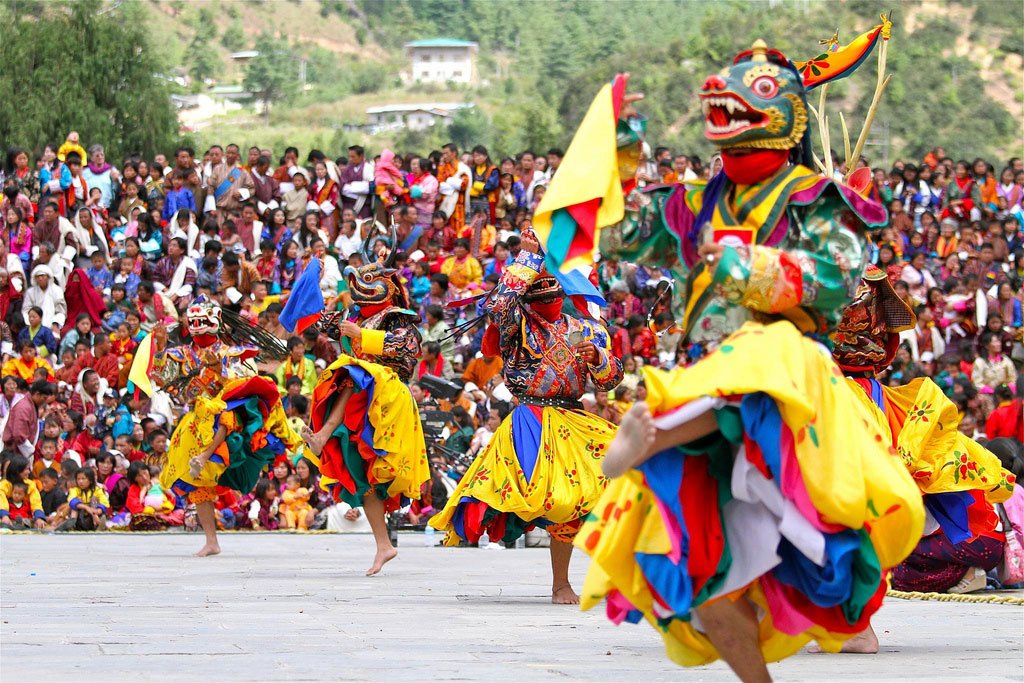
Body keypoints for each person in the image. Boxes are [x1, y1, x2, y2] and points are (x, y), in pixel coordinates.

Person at [555, 33, 927, 678]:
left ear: (787, 114)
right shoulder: (695, 201)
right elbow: (628, 231)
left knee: (764, 347)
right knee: (711, 591)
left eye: (752, 94)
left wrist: (748, 266)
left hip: (789, 378)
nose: (724, 104)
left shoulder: (816, 197)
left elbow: (837, 278)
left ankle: (656, 438)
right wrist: (620, 148)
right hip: (707, 376)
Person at [825, 266, 1015, 651]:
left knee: (843, 521)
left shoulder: (843, 299)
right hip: (867, 392)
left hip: (851, 398)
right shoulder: (861, 298)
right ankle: (849, 624)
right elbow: (883, 345)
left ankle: (856, 628)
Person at [430, 229, 623, 604]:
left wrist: (599, 360)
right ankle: (560, 584)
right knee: (556, 496)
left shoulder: (588, 327)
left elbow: (611, 380)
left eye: (550, 279)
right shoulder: (517, 325)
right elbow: (497, 307)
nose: (545, 287)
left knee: (611, 484)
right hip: (531, 419)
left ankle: (606, 575)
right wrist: (526, 258)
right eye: (537, 280)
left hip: (574, 418)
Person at [136, 296, 310, 556]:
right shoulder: (183, 354)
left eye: (202, 320)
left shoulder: (230, 352)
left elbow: (244, 383)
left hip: (227, 414)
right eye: (193, 321)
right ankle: (211, 541)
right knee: (198, 482)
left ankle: (213, 456)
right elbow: (161, 379)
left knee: (224, 416)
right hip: (197, 420)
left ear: (215, 321)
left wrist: (220, 372)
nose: (197, 326)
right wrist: (160, 348)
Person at [299, 232, 428, 576]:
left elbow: (408, 348)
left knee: (352, 371)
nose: (360, 285)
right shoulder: (352, 316)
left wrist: (362, 337)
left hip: (386, 393)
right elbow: (319, 322)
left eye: (369, 281)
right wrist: (313, 278)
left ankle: (324, 433)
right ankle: (384, 546)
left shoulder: (397, 318)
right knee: (362, 471)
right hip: (360, 398)